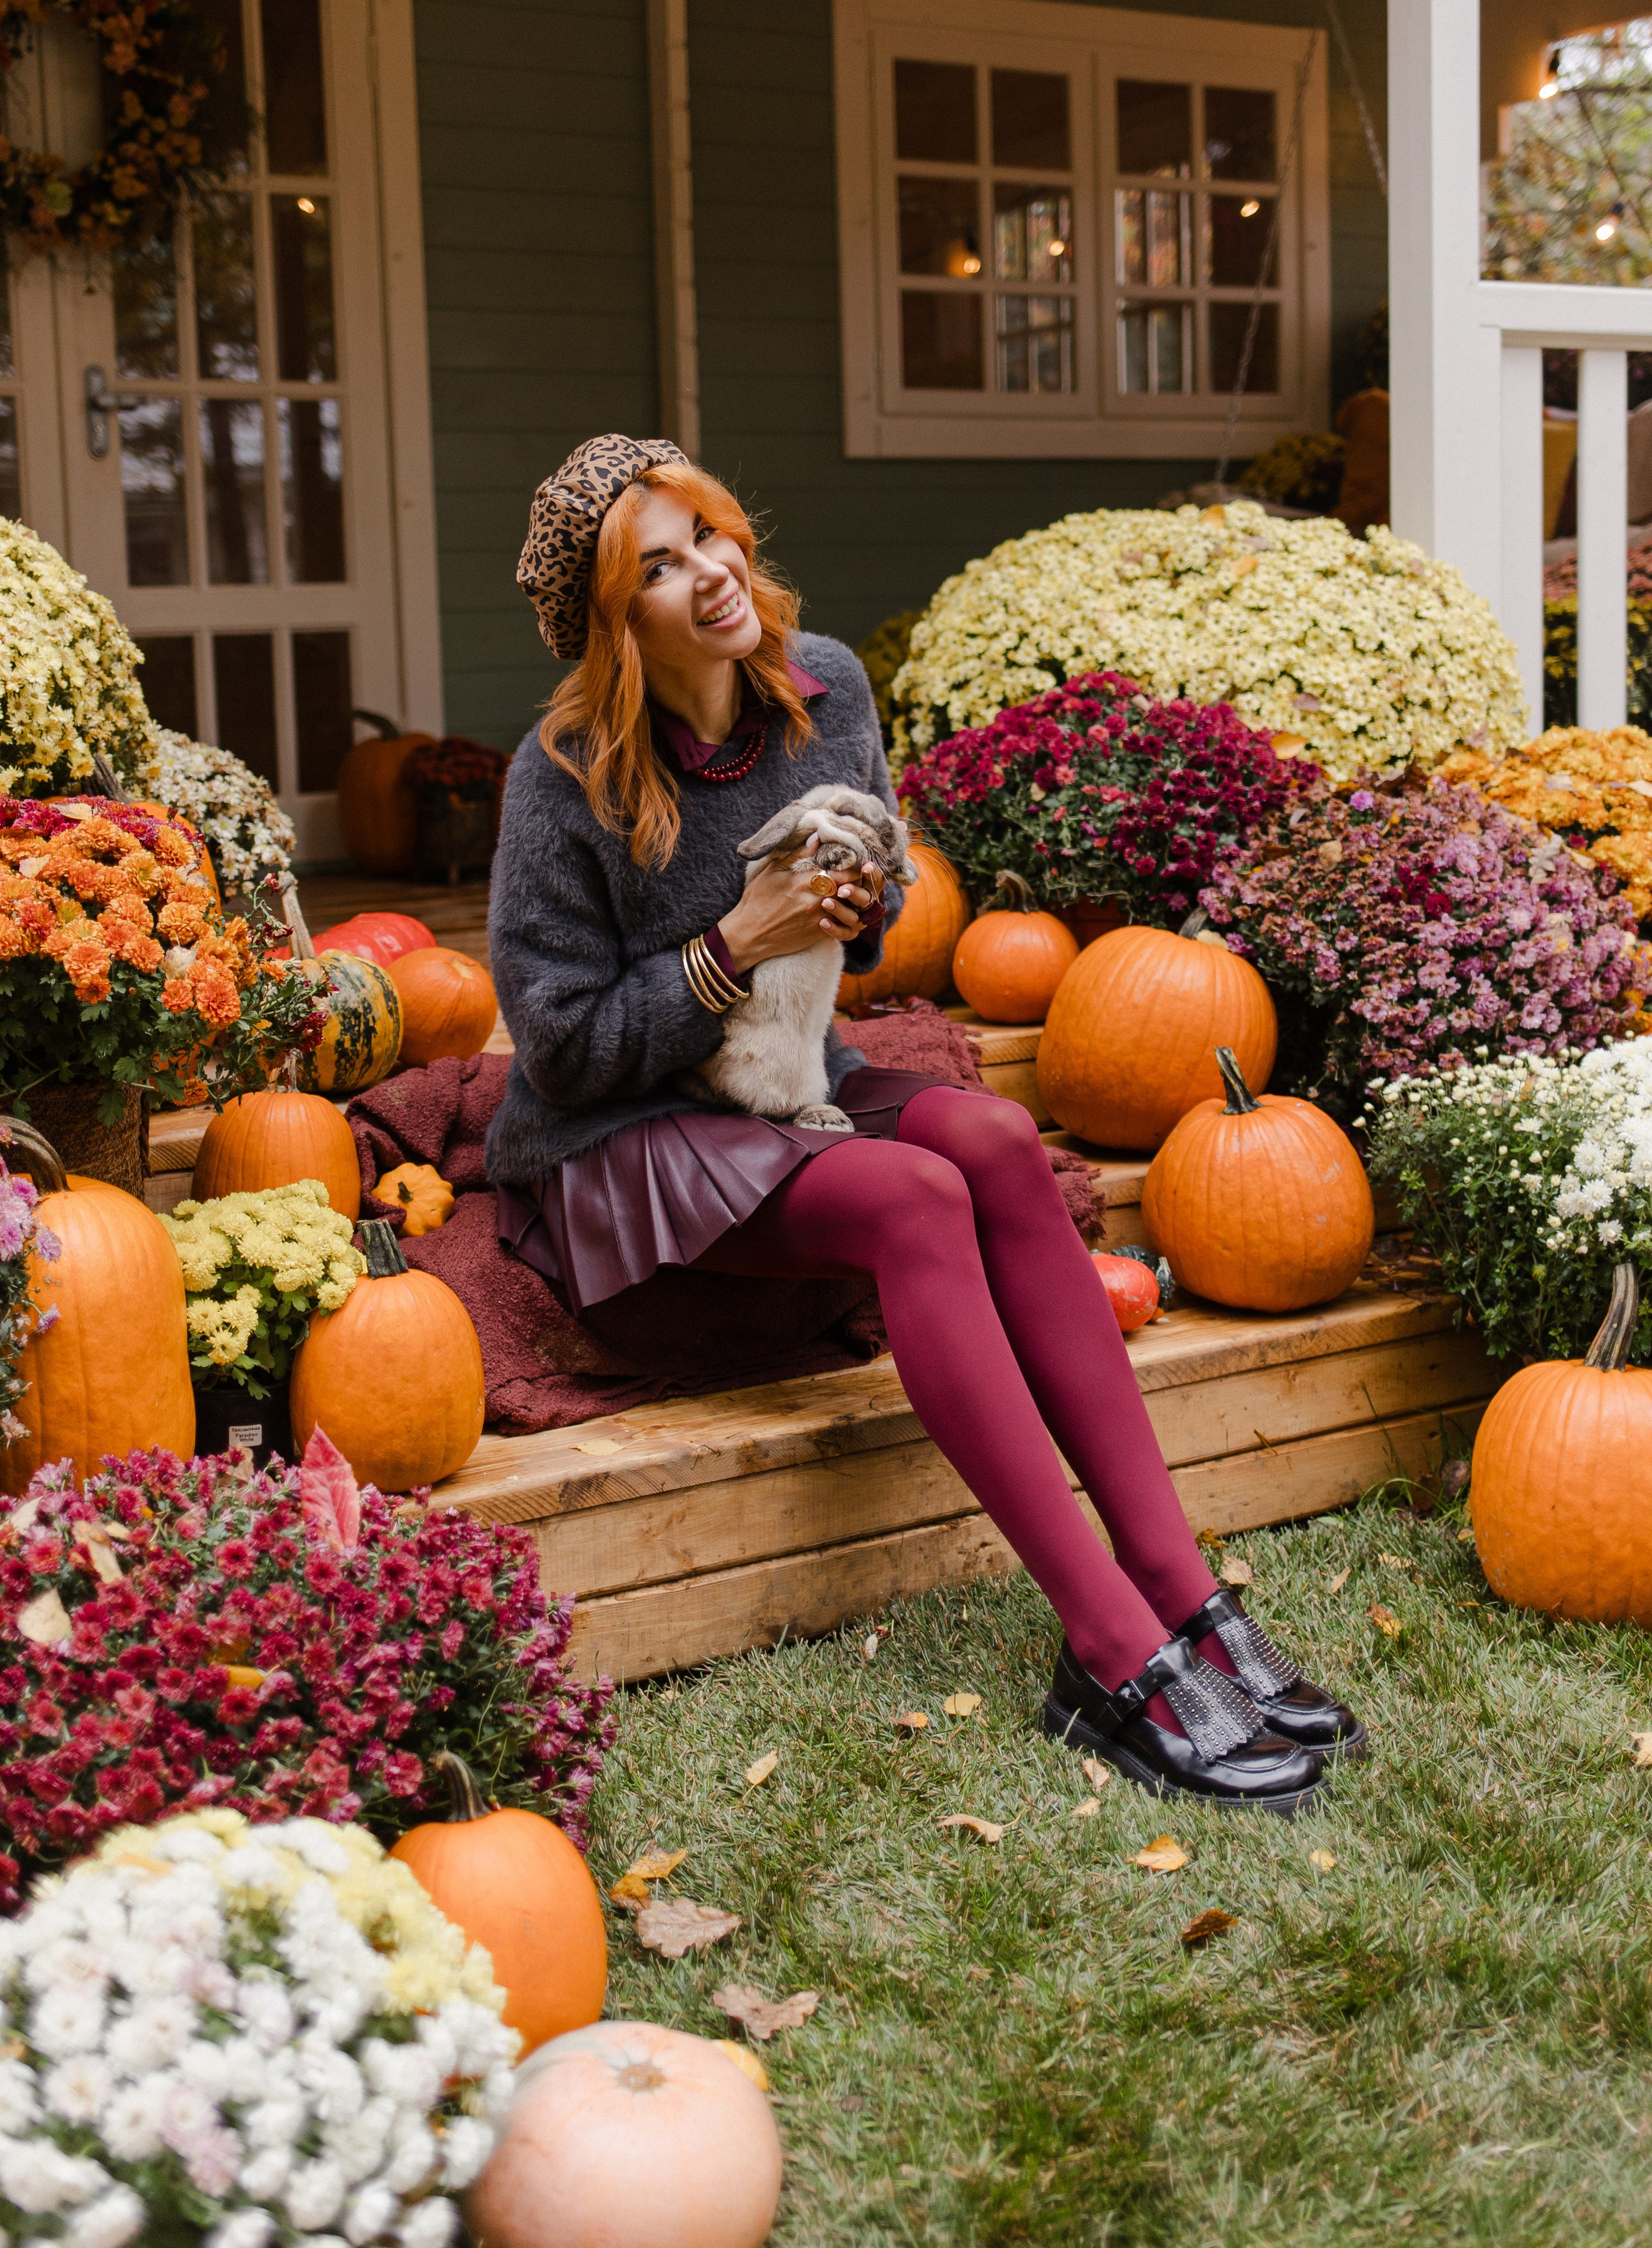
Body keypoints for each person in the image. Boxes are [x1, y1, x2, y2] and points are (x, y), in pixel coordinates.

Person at [488, 434, 1361, 1811]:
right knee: (914, 1198)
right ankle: (1106, 1643)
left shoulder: (822, 686)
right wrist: (729, 944)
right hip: (626, 1135)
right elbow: (563, 1048)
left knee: (1000, 1145)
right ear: (612, 622)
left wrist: (851, 903)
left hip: (789, 1069)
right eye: (657, 568)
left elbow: (878, 917)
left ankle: (1184, 1594)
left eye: (709, 531)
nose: (710, 572)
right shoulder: (566, 777)